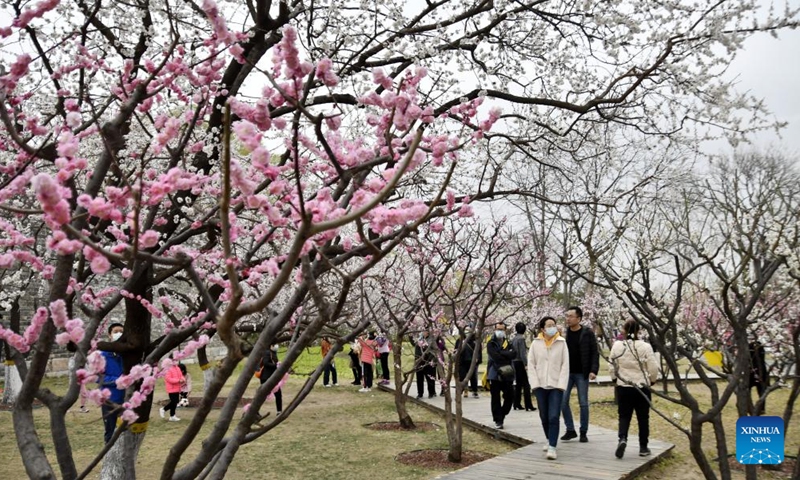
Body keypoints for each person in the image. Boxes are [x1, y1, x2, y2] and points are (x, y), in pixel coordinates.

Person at [609, 320, 659, 458]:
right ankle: (643, 447)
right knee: (643, 418)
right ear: (638, 331)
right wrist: (652, 380)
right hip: (642, 386)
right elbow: (653, 366)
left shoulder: (618, 346)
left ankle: (622, 438)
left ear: (624, 330)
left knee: (624, 416)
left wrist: (615, 378)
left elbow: (612, 364)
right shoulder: (645, 347)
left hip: (624, 386)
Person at [528, 316, 569, 460]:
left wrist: (561, 385)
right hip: (540, 385)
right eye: (549, 325)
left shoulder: (562, 343)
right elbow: (531, 364)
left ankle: (552, 446)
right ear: (542, 329)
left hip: (556, 386)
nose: (552, 327)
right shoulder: (536, 343)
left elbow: (565, 365)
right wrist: (534, 384)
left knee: (553, 416)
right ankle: (549, 438)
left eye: (554, 324)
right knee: (544, 415)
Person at [561, 306, 599, 443]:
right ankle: (570, 429)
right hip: (567, 373)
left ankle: (583, 431)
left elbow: (595, 352)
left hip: (581, 373)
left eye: (571, 316)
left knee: (583, 403)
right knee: (562, 401)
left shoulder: (587, 333)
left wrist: (593, 370)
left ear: (579, 318)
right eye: (567, 316)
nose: (568, 319)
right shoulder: (565, 333)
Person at [99, 322, 125, 442]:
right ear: (109, 335)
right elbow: (99, 377)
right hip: (110, 399)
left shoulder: (126, 354)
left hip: (126, 399)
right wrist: (117, 381)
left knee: (125, 431)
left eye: (121, 331)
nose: (118, 334)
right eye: (115, 332)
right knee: (110, 431)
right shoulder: (103, 355)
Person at [486, 323, 515, 429]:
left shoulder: (509, 342)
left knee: (510, 396)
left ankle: (502, 413)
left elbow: (514, 354)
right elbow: (495, 357)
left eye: (502, 329)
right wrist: (506, 354)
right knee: (495, 398)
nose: (500, 331)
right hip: (494, 374)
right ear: (494, 329)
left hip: (507, 373)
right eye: (498, 329)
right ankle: (498, 419)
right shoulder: (491, 343)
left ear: (505, 330)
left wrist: (502, 353)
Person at [511, 322, 535, 411]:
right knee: (526, 385)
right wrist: (526, 363)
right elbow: (522, 353)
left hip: (514, 362)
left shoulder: (514, 338)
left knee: (518, 384)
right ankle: (528, 405)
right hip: (520, 362)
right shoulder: (521, 339)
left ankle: (516, 403)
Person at [455, 327, 482, 398]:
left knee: (473, 377)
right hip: (462, 361)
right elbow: (456, 350)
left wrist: (478, 359)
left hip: (472, 362)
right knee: (462, 376)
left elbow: (479, 351)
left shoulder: (475, 341)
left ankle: (475, 391)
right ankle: (463, 390)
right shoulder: (459, 340)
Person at [260, 343, 283, 415]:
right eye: (274, 345)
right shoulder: (267, 353)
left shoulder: (274, 353)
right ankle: (255, 411)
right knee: (262, 396)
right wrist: (276, 366)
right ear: (271, 346)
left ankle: (279, 411)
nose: (276, 346)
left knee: (278, 394)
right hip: (266, 377)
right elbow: (266, 363)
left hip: (273, 377)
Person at [412, 332, 437, 398]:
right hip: (419, 361)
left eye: (425, 331)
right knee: (419, 378)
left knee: (430, 378)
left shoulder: (432, 339)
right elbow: (413, 343)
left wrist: (430, 359)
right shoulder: (419, 339)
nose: (424, 332)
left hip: (428, 361)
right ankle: (420, 393)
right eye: (423, 331)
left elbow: (434, 351)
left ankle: (431, 392)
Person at [748, 338, 768, 414]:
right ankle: (761, 408)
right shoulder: (759, 346)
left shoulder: (751, 346)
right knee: (761, 391)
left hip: (754, 371)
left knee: (760, 391)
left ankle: (758, 407)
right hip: (758, 371)